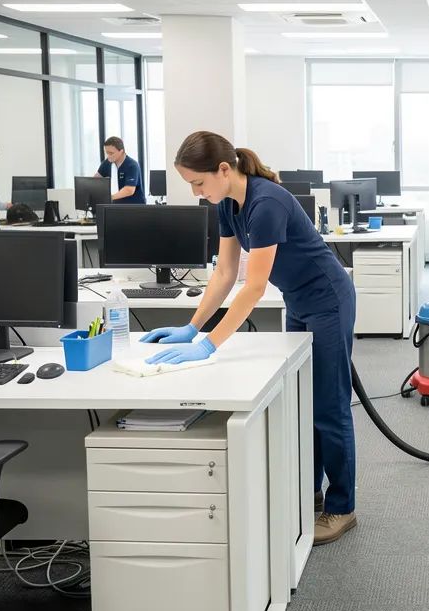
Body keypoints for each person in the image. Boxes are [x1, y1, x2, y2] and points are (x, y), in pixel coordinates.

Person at [140, 131, 358, 545]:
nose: (196, 192)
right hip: (299, 300)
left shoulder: (266, 203)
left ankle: (342, 507)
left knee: (329, 405)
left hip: (328, 299)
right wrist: (192, 326)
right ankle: (311, 492)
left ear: (224, 169)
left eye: (198, 182)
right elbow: (225, 273)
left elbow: (254, 288)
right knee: (305, 402)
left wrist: (209, 345)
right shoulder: (227, 203)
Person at [94, 136, 145, 204]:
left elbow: (129, 190)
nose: (108, 156)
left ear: (121, 151)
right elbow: (96, 179)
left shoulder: (132, 165)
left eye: (111, 153)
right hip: (114, 205)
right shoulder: (107, 163)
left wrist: (109, 198)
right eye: (107, 153)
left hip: (133, 206)